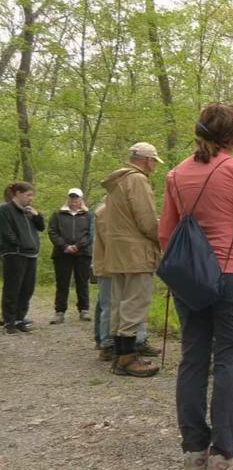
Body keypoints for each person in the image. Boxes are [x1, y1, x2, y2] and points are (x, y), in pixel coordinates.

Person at [159, 103, 233, 469]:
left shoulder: (175, 174)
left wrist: (179, 272)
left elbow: (167, 231)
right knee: (230, 359)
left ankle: (194, 448)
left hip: (191, 278)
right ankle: (226, 451)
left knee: (193, 357)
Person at [101, 142, 164, 377]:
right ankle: (127, 358)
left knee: (119, 303)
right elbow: (146, 220)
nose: (155, 166)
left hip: (118, 251)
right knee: (135, 303)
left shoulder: (118, 181)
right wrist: (163, 238)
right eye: (154, 161)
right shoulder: (137, 180)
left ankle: (120, 355)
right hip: (136, 252)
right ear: (147, 160)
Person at [92, 198, 157, 361]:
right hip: (111, 265)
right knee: (111, 306)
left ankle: (138, 340)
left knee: (132, 305)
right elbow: (112, 240)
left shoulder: (124, 210)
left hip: (125, 263)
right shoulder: (106, 211)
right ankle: (108, 344)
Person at [1, 182, 45, 334]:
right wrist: (19, 243)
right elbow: (6, 232)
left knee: (27, 288)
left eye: (32, 195)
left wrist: (36, 215)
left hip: (31, 253)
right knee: (13, 288)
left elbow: (41, 227)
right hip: (14, 253)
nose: (31, 198)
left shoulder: (28, 211)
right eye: (28, 195)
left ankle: (20, 318)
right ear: (18, 193)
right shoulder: (5, 209)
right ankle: (9, 321)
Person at [47, 188, 93, 324]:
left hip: (83, 254)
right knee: (62, 283)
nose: (74, 200)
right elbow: (52, 232)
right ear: (68, 199)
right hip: (62, 253)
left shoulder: (88, 215)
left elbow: (90, 234)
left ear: (81, 199)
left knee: (82, 282)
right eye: (72, 197)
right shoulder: (57, 214)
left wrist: (78, 246)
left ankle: (84, 310)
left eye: (76, 198)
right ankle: (59, 312)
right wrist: (65, 246)